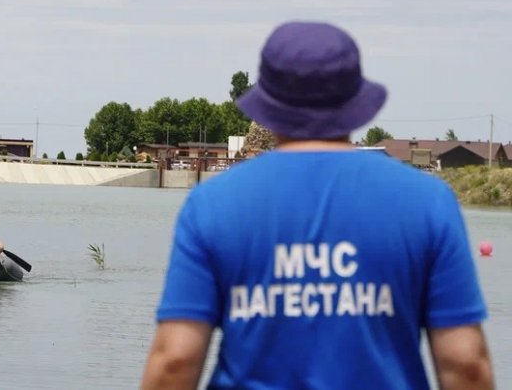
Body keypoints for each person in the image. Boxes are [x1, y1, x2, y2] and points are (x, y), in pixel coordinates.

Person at [141, 21, 494, 389]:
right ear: (356, 103)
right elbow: (465, 363)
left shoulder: (212, 204)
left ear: (267, 107)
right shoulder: (428, 203)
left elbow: (175, 361)